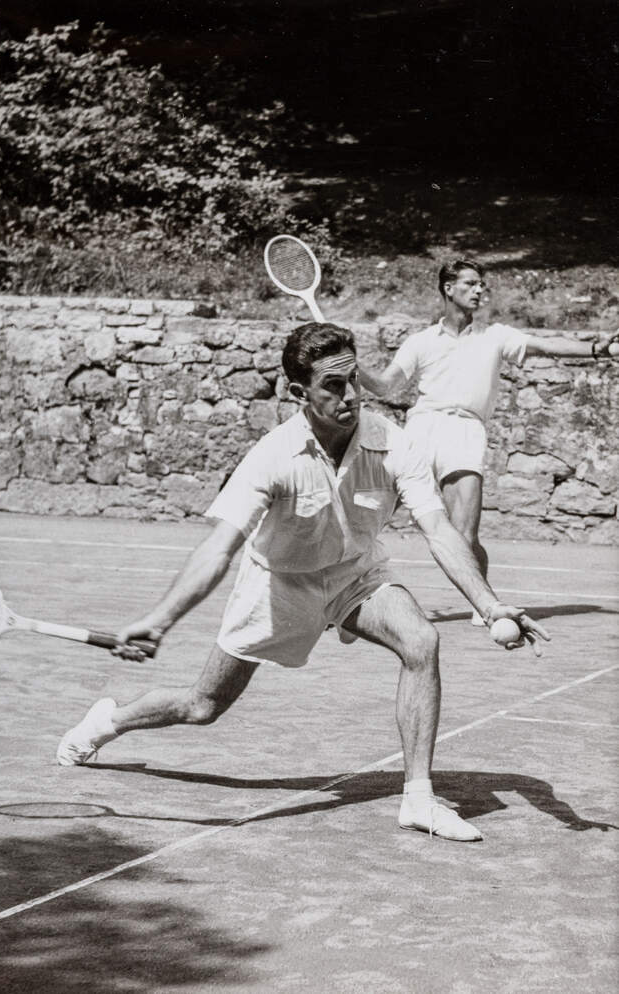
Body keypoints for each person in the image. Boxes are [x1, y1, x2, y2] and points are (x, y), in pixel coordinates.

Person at [57, 322, 549, 842]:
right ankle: (106, 723)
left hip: (356, 574)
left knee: (422, 640)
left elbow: (439, 530)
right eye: (333, 387)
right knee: (202, 706)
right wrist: (160, 619)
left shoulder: (391, 441)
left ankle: (419, 800)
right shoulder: (272, 456)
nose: (352, 396)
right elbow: (219, 548)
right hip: (278, 587)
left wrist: (490, 606)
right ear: (299, 394)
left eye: (354, 380)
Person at [360, 259, 618, 624]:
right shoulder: (420, 342)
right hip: (421, 429)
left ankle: (486, 605)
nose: (480, 290)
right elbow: (386, 386)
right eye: (471, 283)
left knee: (465, 533)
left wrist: (597, 350)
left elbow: (545, 346)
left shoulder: (497, 336)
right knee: (368, 519)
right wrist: (354, 370)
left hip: (466, 431)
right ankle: (341, 596)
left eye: (482, 284)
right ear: (449, 288)